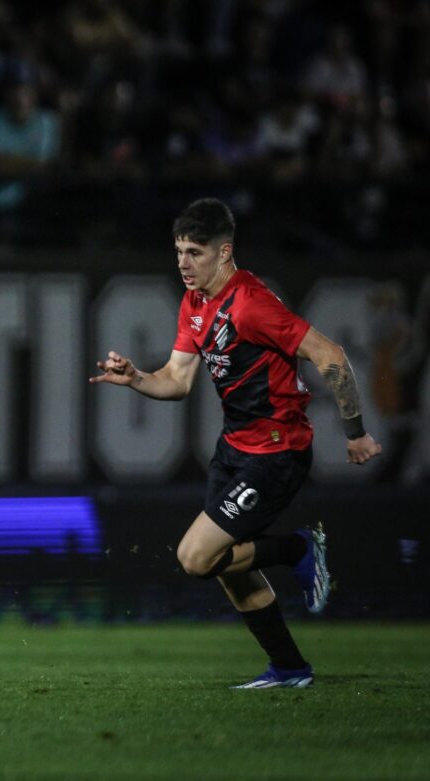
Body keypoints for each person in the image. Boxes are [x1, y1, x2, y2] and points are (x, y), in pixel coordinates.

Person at [90, 198, 382, 688]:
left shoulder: (250, 304)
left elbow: (330, 356)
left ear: (225, 252)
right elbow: (178, 381)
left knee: (195, 557)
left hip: (277, 452)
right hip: (234, 451)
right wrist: (137, 378)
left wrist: (355, 433)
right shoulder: (195, 303)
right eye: (179, 251)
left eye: (195, 252)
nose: (183, 263)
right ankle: (290, 668)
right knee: (230, 570)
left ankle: (297, 548)